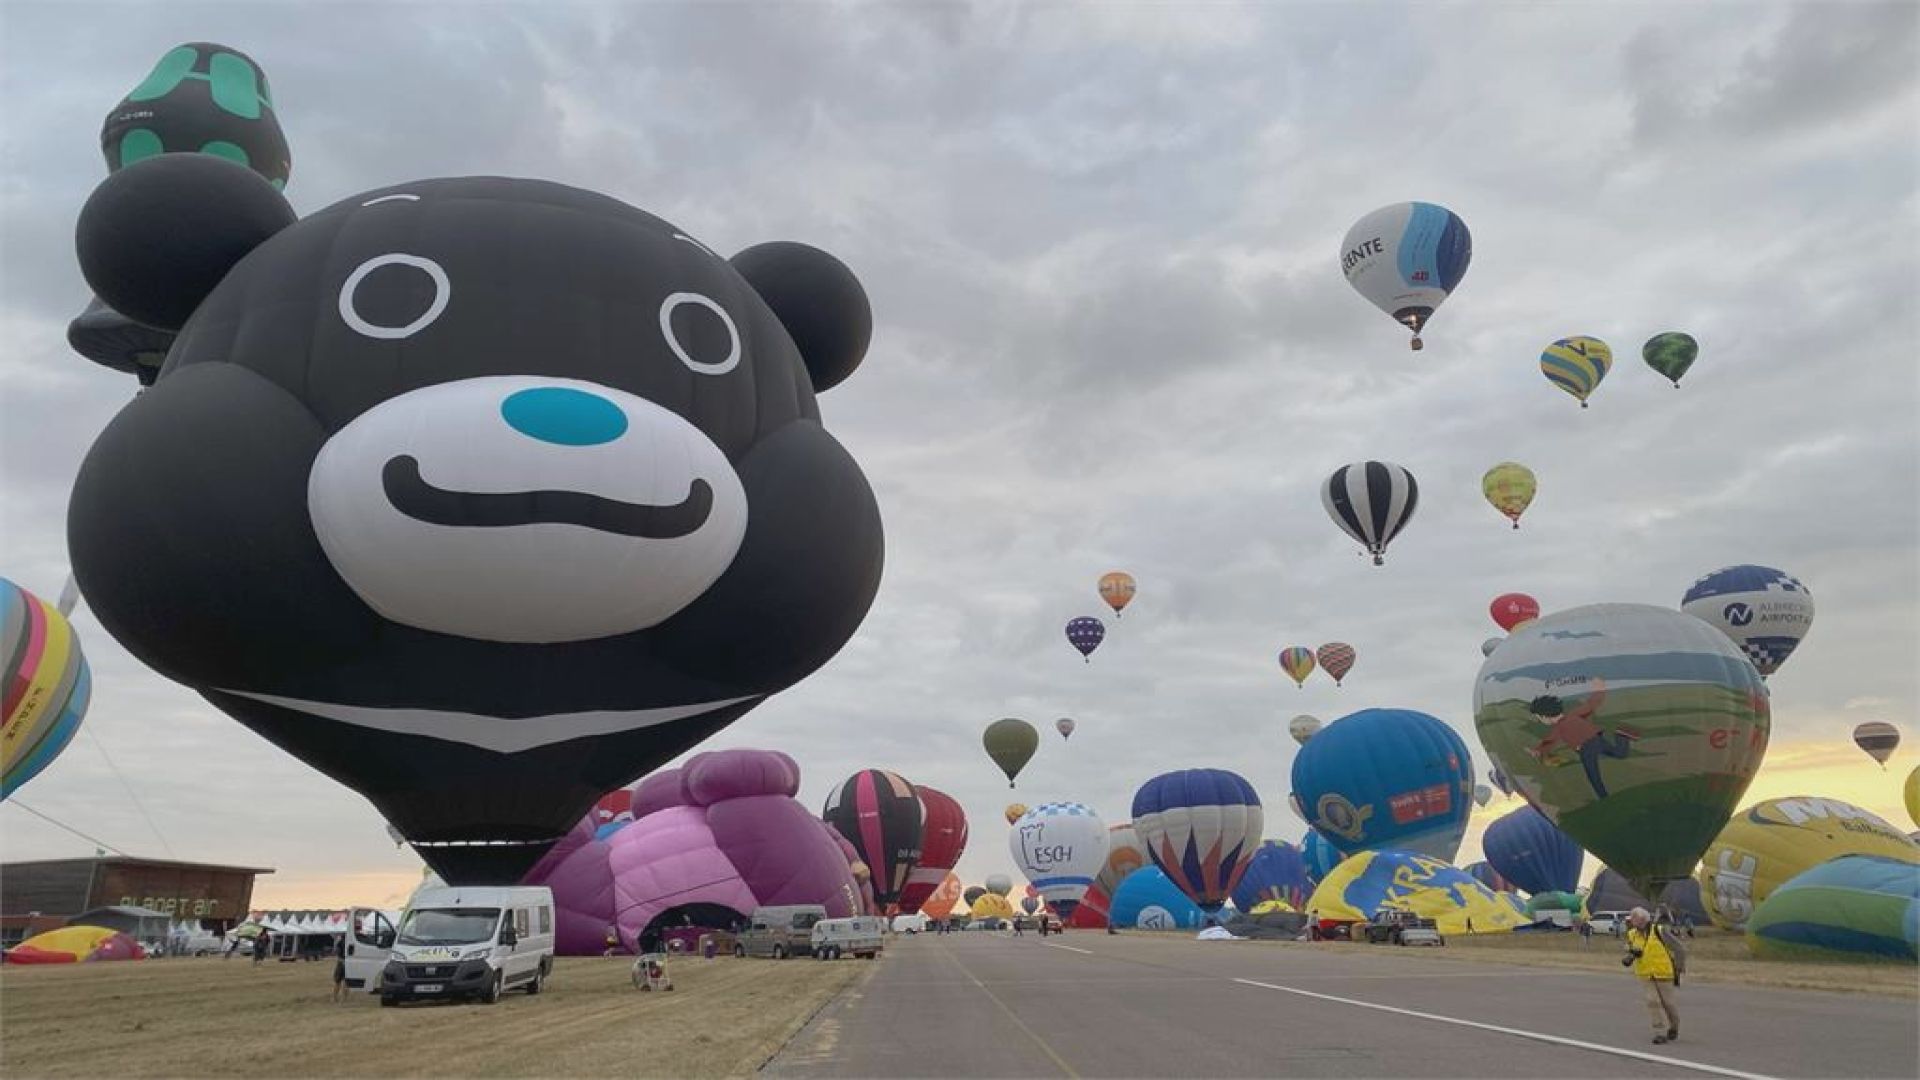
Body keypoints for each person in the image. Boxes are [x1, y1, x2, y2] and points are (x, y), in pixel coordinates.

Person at [1526, 678, 1639, 799]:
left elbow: (1549, 741)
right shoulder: (1574, 714)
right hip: (1597, 739)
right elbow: (1591, 704)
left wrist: (1537, 751)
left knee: (1593, 774)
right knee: (1619, 753)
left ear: (1545, 716)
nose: (1540, 721)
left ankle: (1603, 797)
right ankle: (1621, 736)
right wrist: (1600, 690)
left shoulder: (1559, 727)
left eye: (1539, 718)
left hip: (1586, 748)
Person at [1623, 907, 1685, 1045]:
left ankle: (1674, 1026)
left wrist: (1679, 968)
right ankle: (1660, 1033)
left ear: (1643, 919)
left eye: (1634, 917)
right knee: (1652, 1001)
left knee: (1668, 1004)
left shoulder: (1660, 931)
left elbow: (1679, 948)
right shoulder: (1632, 934)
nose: (1631, 920)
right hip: (1645, 974)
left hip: (1664, 973)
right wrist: (1630, 951)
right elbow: (1627, 946)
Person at [331, 933, 348, 1002]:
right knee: (346, 982)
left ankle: (335, 998)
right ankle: (343, 999)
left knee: (338, 981)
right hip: (347, 962)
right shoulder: (349, 941)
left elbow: (336, 953)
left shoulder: (340, 942)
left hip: (341, 962)